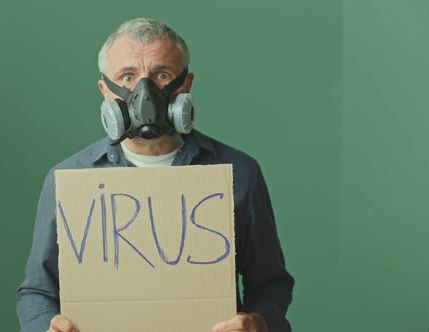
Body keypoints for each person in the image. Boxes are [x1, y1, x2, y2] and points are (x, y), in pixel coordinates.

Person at [16, 18, 294, 332]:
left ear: (185, 86)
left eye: (161, 75)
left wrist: (258, 321)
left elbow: (272, 283)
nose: (144, 92)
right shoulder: (68, 179)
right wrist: (46, 326)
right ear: (106, 90)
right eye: (127, 76)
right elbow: (36, 292)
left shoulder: (238, 173)